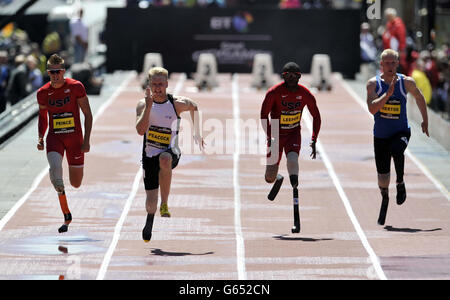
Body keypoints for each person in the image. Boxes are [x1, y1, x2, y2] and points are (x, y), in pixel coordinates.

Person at [136, 67, 204, 243]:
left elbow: (194, 106)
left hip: (170, 151)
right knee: (150, 203)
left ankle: (164, 204)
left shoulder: (175, 103)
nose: (158, 88)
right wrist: (149, 107)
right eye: (154, 84)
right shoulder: (143, 105)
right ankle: (150, 217)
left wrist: (196, 132)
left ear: (166, 84)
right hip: (149, 155)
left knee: (165, 160)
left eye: (161, 84)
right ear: (149, 85)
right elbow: (140, 130)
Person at [366, 49, 429, 226]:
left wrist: (425, 120)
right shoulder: (373, 85)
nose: (390, 66)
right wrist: (387, 94)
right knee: (382, 178)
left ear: (398, 64)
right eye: (387, 62)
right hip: (380, 136)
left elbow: (419, 97)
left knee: (397, 149)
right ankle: (385, 196)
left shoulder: (406, 82)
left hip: (401, 131)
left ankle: (400, 182)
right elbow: (372, 109)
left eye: (393, 62)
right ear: (381, 65)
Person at [36, 53, 93, 233]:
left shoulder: (76, 87)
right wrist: (40, 137)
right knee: (56, 176)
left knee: (76, 183)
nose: (55, 75)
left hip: (75, 139)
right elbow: (42, 117)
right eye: (52, 72)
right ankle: (66, 214)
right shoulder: (43, 93)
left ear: (64, 71)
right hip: (55, 138)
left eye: (58, 72)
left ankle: (66, 196)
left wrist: (87, 140)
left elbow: (88, 114)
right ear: (48, 73)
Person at [260, 62, 321, 203]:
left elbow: (316, 116)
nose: (292, 78)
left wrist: (314, 138)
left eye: (295, 75)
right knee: (269, 178)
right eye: (288, 75)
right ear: (283, 76)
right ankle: (277, 177)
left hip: (293, 133)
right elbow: (263, 115)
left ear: (299, 77)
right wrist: (270, 135)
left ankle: (294, 184)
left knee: (293, 161)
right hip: (275, 133)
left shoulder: (305, 94)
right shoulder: (273, 93)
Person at [382, 8, 407, 72]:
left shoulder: (398, 24)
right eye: (387, 16)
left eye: (389, 16)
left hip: (397, 51)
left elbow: (401, 38)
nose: (387, 18)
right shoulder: (389, 24)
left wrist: (401, 50)